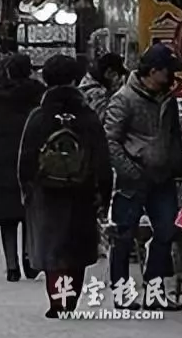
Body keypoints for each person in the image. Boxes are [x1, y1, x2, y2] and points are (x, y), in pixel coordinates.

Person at [19, 55, 112, 318]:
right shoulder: (87, 116)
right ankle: (70, 302)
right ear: (75, 79)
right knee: (76, 248)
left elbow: (26, 157)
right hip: (82, 190)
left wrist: (26, 188)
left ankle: (57, 302)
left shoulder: (39, 116)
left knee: (53, 247)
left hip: (46, 190)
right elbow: (102, 157)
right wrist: (104, 193)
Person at [105, 43, 182, 310]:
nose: (172, 77)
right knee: (124, 236)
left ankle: (154, 292)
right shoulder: (124, 99)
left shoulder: (167, 99)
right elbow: (111, 142)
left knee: (166, 231)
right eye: (168, 71)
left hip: (163, 178)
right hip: (132, 180)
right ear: (153, 72)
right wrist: (130, 170)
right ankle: (121, 292)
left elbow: (174, 136)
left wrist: (176, 162)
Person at [0, 54, 44, 282]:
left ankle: (12, 265)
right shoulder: (38, 99)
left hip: (0, 165)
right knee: (30, 214)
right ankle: (30, 258)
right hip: (33, 164)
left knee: (7, 219)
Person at [79, 52, 126, 116]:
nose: (119, 80)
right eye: (118, 75)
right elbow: (109, 117)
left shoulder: (88, 82)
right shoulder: (95, 93)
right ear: (109, 72)